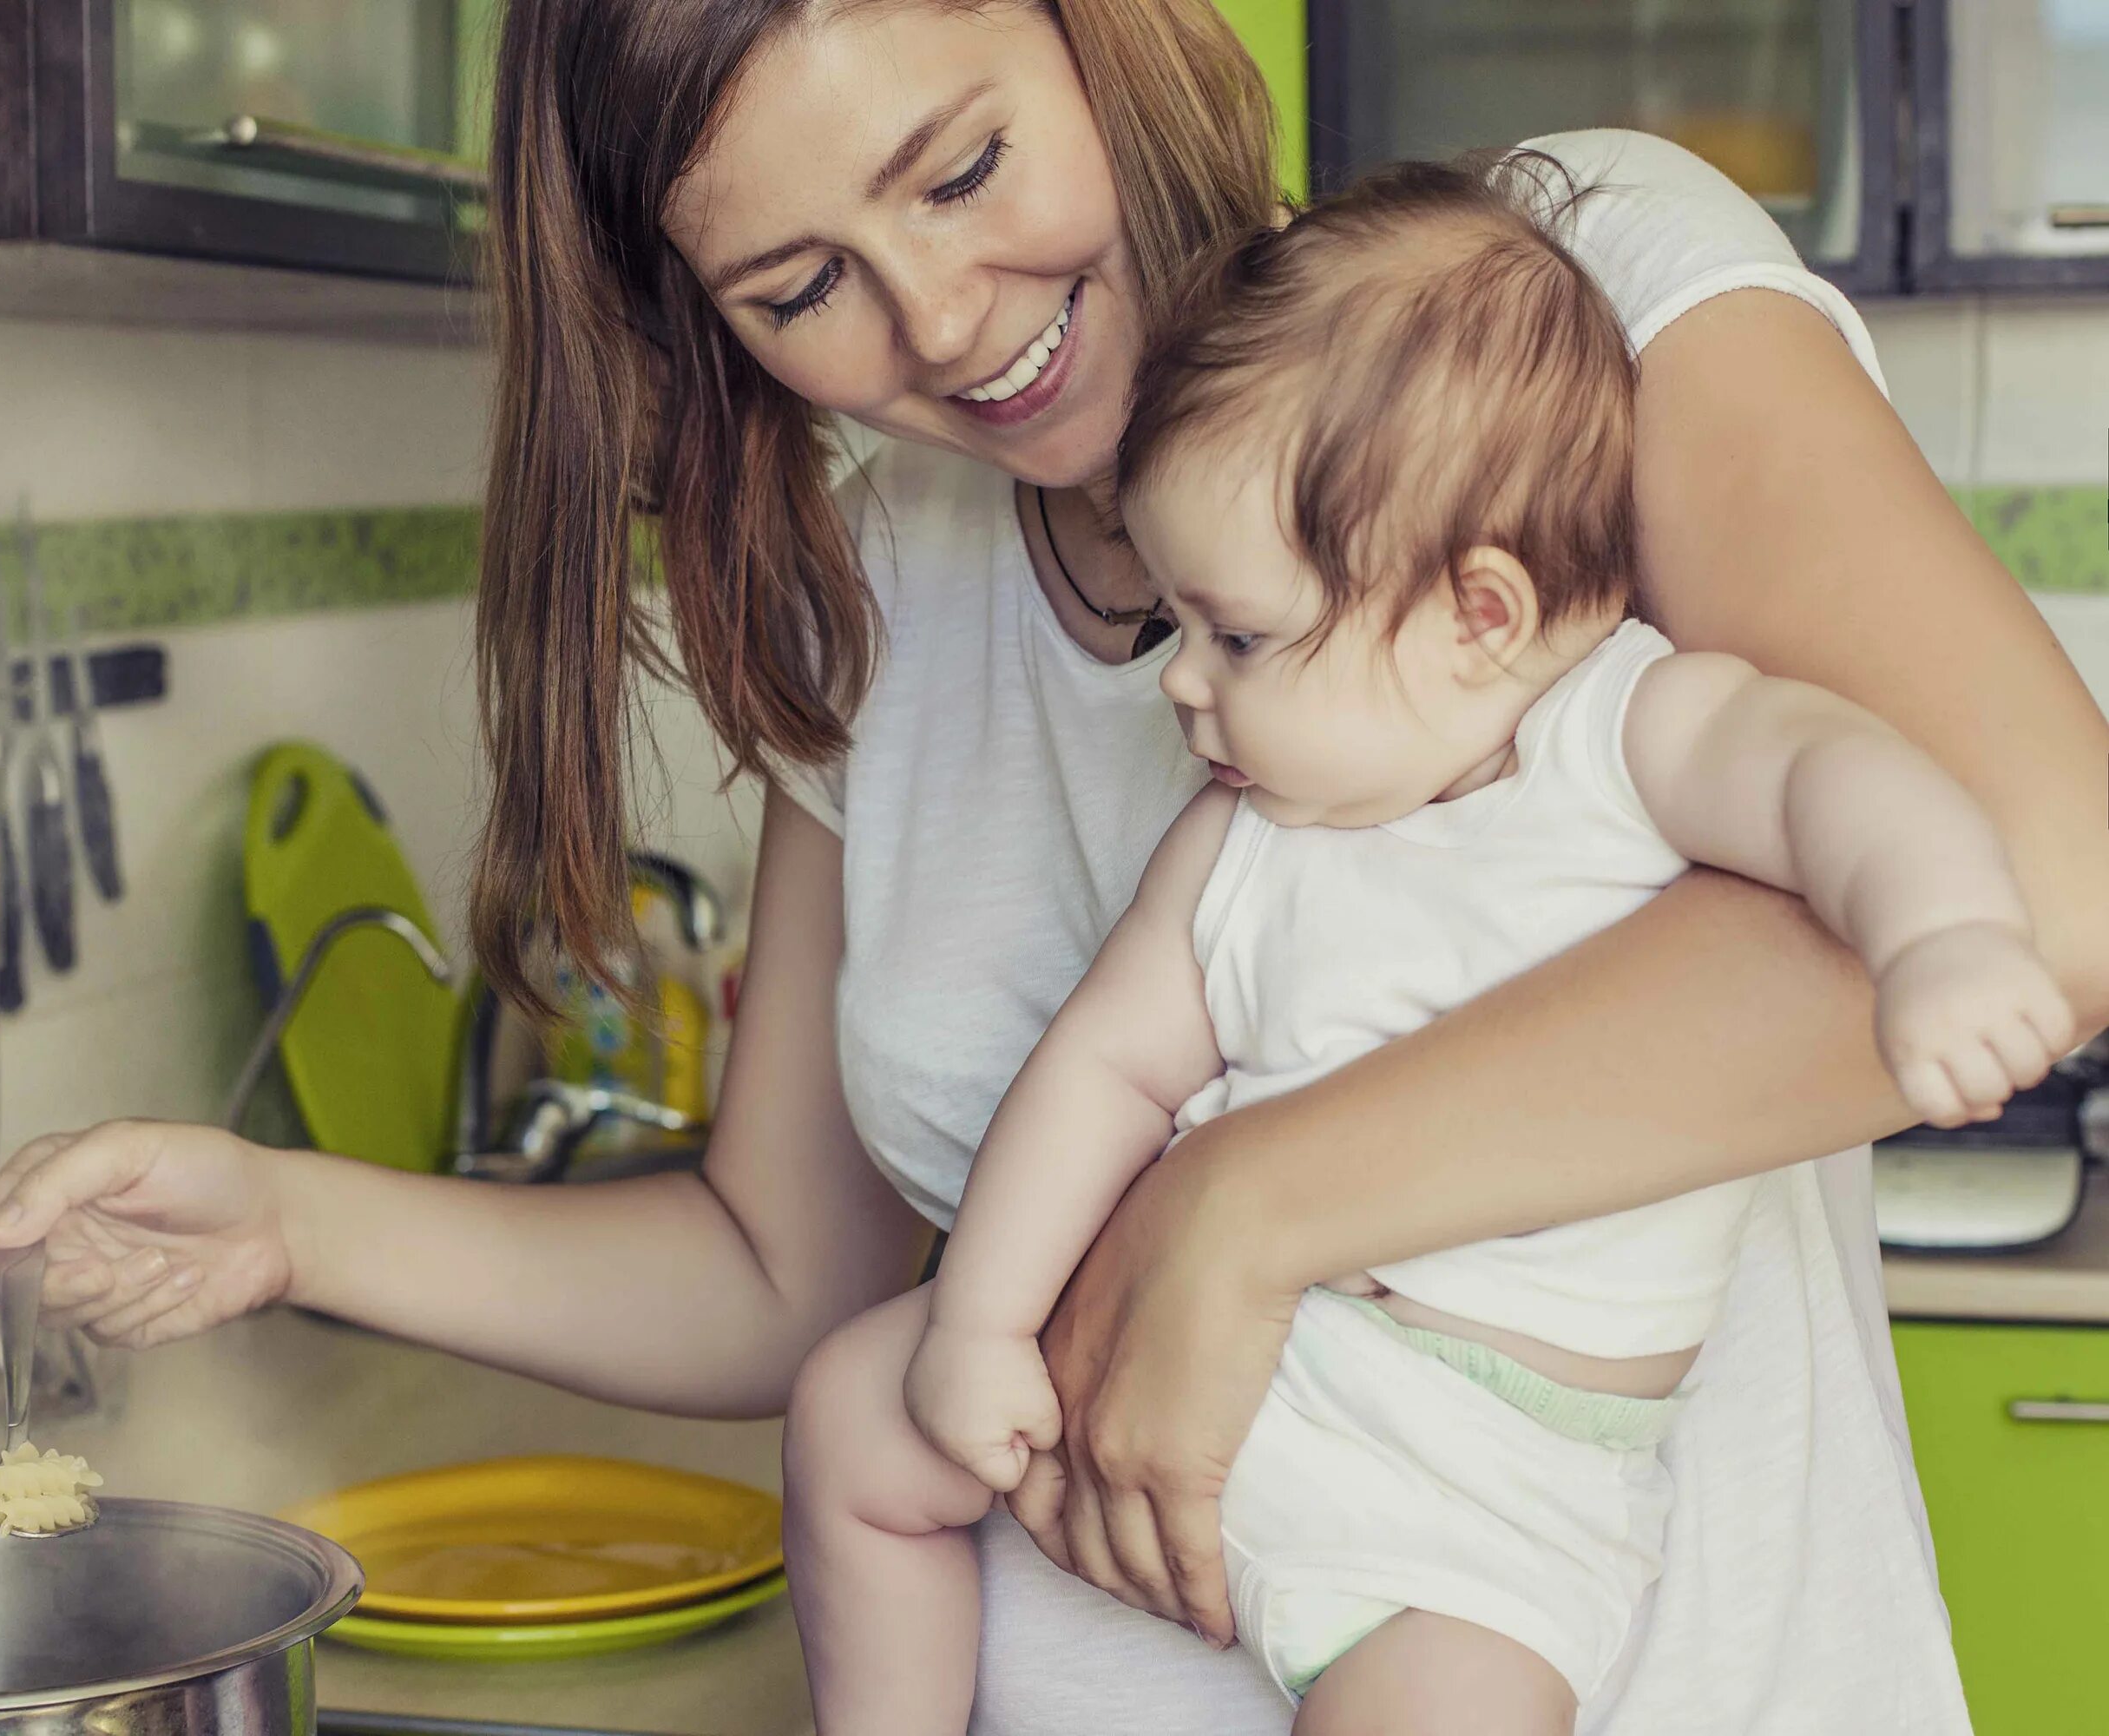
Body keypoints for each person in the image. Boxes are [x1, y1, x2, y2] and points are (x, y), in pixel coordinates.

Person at [0, 3, 2109, 1729]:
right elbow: (788, 1272)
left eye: (964, 168)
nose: (943, 324)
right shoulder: (874, 575)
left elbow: (2040, 871)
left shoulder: (1547, 301)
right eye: (801, 286)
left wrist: (1240, 1210)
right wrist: (285, 1219)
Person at [782, 156, 2075, 1736]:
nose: (1184, 687)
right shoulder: (1243, 835)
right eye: (1178, 631)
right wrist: (979, 1328)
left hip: (1492, 1501)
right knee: (854, 1410)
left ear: (1480, 614)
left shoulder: (1628, 731)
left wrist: (1938, 931)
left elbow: (1841, 777)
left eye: (1236, 636)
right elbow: (1102, 1070)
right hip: (1237, 1390)